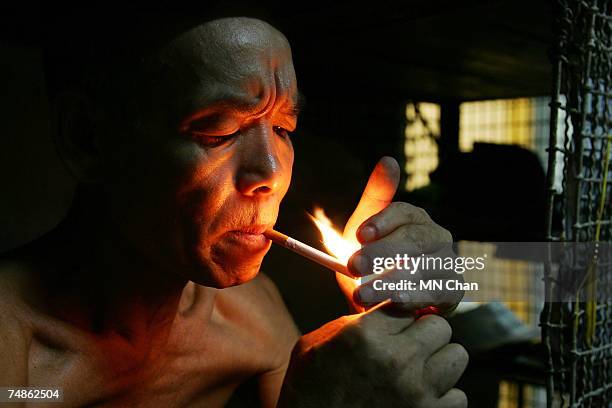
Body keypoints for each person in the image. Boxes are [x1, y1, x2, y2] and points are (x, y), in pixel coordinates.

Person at [0, 12, 468, 407]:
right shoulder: (19, 366)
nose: (269, 172)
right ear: (88, 139)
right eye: (219, 131)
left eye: (283, 128)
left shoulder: (248, 317)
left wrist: (398, 321)